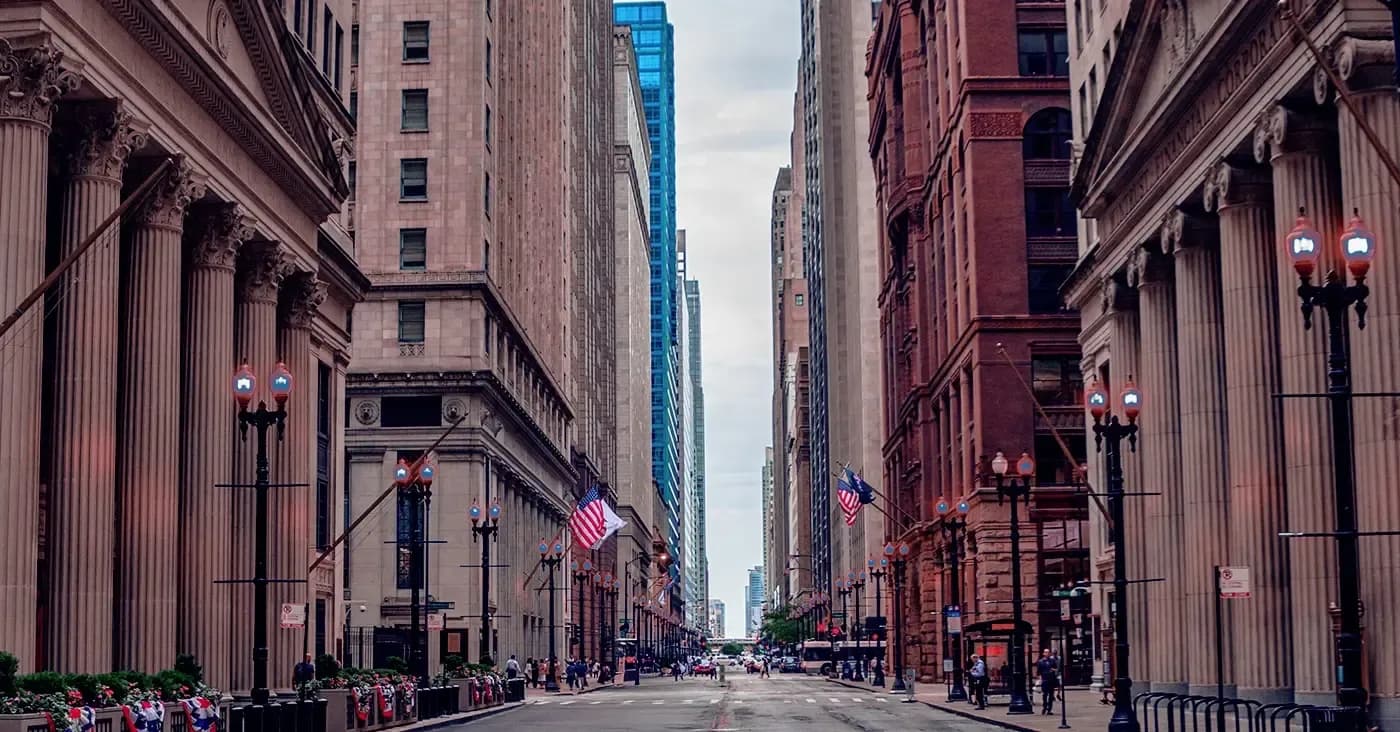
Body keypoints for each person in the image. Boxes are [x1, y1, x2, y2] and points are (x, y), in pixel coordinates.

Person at [1036, 649, 1060, 715]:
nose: (1047, 653)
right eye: (1046, 652)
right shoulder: (1041, 661)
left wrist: (1053, 670)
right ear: (1043, 653)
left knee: (1051, 695)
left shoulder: (1052, 661)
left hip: (1051, 680)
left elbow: (1056, 668)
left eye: (1048, 652)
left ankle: (1049, 709)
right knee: (1045, 695)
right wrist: (1040, 679)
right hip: (1044, 680)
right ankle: (1044, 707)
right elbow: (1038, 672)